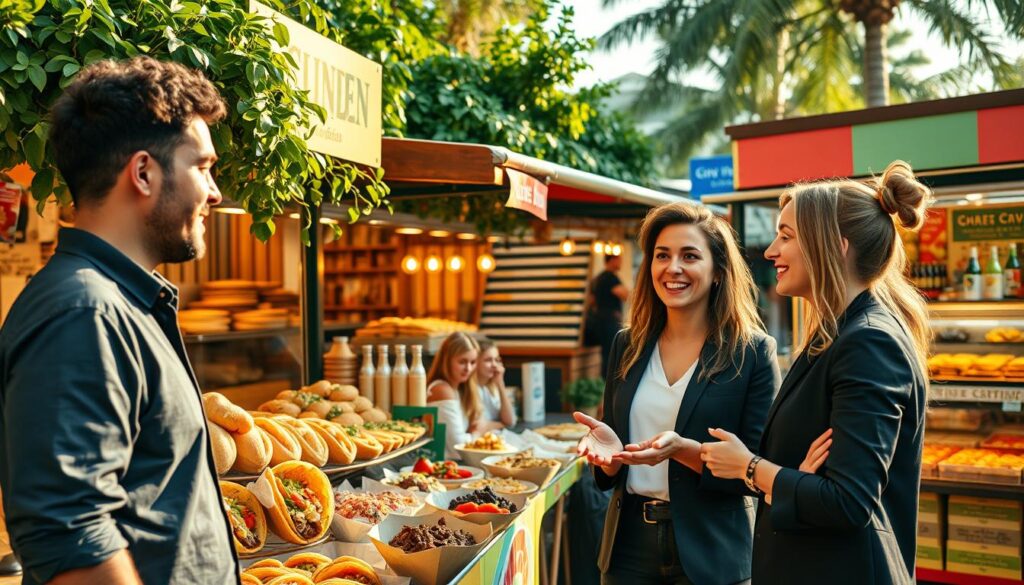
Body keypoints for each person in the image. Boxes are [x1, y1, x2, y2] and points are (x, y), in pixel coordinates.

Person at [0, 58, 238, 584]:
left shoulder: (119, 303)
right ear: (144, 173)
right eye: (202, 167)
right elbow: (69, 532)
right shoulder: (84, 311)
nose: (215, 191)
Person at [700, 160, 931, 585]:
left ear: (837, 246)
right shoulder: (840, 333)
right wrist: (789, 475)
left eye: (785, 236)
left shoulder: (868, 342)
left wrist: (752, 468)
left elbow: (847, 502)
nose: (770, 252)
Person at [574, 202, 781, 585]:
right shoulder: (627, 346)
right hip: (627, 548)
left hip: (712, 552)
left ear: (718, 271)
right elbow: (614, 466)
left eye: (690, 256)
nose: (673, 268)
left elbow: (759, 472)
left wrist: (682, 451)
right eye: (662, 255)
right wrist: (609, 456)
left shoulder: (752, 353)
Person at [426, 332, 483, 459]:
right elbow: (459, 447)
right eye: (462, 362)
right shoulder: (441, 389)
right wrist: (477, 433)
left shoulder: (459, 389)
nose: (468, 368)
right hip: (442, 466)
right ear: (447, 361)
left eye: (473, 362)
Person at [587, 253, 630, 376]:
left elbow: (591, 301)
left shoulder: (598, 278)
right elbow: (625, 295)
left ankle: (605, 385)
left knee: (606, 354)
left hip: (599, 321)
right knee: (613, 354)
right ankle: (609, 385)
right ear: (611, 260)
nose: (621, 262)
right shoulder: (610, 277)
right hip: (610, 321)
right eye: (619, 260)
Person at [474, 339, 517, 431]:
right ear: (475, 363)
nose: (494, 365)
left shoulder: (491, 387)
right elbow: (476, 427)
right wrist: (502, 424)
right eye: (488, 360)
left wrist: (500, 384)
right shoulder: (471, 389)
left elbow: (510, 420)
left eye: (497, 360)